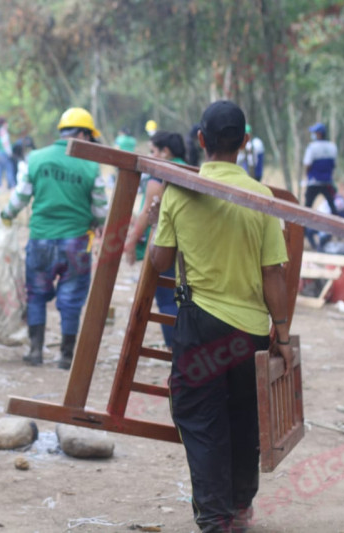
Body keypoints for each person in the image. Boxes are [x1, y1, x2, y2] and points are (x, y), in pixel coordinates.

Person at [149, 100, 292, 533]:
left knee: (201, 418)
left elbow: (159, 263)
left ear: (200, 141)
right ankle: (240, 506)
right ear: (245, 143)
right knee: (246, 417)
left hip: (199, 327)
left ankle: (215, 518)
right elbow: (274, 275)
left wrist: (157, 222)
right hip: (247, 334)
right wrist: (281, 336)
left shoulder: (178, 190)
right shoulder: (262, 198)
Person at [0, 107, 108, 369]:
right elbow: (101, 209)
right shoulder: (91, 166)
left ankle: (35, 351)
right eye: (90, 138)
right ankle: (66, 355)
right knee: (71, 299)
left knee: (36, 295)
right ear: (82, 134)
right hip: (76, 244)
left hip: (41, 241)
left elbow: (20, 198)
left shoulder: (36, 158)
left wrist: (6, 215)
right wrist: (101, 224)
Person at [123, 130, 185, 348]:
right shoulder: (187, 170)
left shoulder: (160, 173)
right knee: (181, 296)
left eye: (153, 151)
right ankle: (181, 344)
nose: (151, 155)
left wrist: (131, 242)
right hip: (187, 245)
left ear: (165, 151)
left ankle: (173, 347)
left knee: (167, 299)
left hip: (163, 243)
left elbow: (147, 213)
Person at [302, 122, 338, 246]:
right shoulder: (332, 147)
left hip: (313, 182)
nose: (313, 135)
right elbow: (334, 165)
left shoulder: (312, 147)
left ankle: (303, 234)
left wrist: (307, 176)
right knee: (333, 209)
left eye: (314, 132)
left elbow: (307, 164)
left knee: (306, 209)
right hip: (328, 182)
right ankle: (337, 233)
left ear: (319, 134)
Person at [0, 118, 16, 189]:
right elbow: (6, 143)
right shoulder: (3, 131)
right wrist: (10, 153)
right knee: (9, 168)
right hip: (3, 153)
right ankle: (12, 185)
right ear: (4, 123)